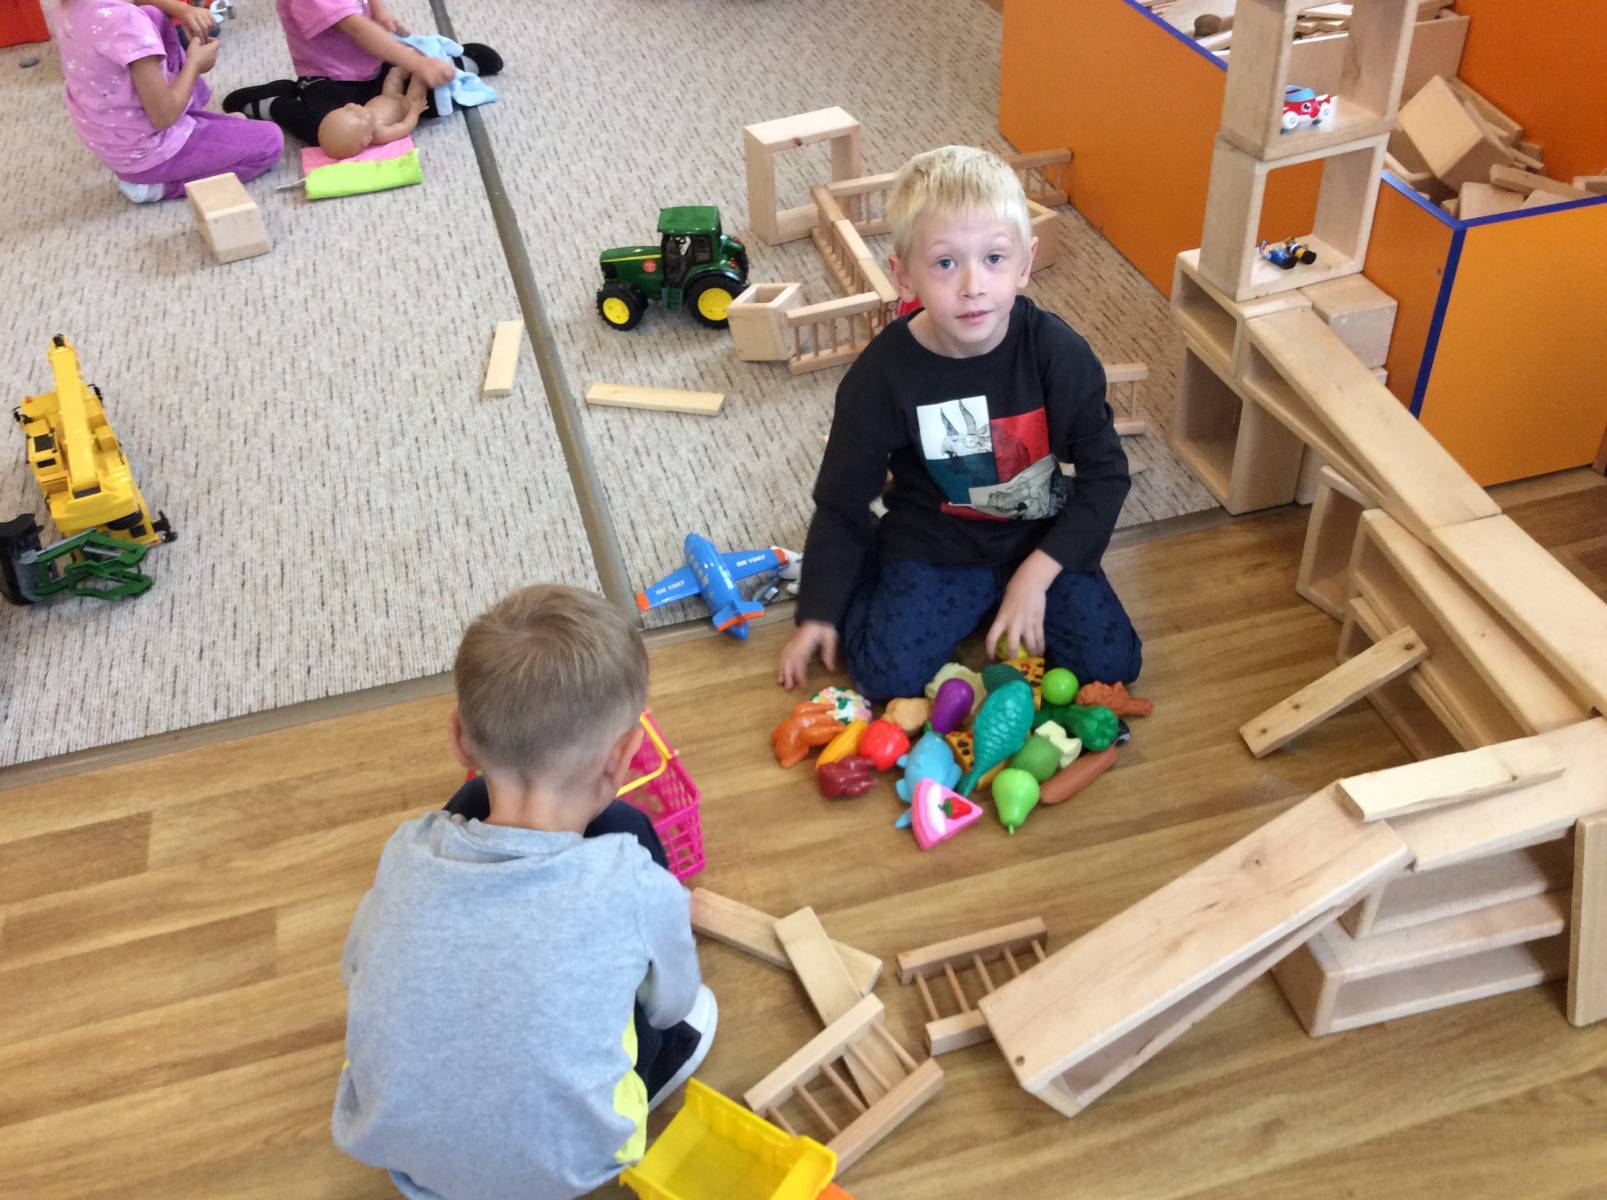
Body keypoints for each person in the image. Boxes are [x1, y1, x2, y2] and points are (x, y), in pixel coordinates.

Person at [333, 585, 716, 1200]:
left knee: (465, 816)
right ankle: (655, 1076)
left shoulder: (406, 851)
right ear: (624, 756)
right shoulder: (632, 879)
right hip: (574, 1167)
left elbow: (355, 966)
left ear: (461, 739)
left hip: (409, 1161)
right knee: (664, 1013)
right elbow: (672, 1003)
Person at [777, 145, 1142, 701]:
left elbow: (1106, 477)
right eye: (946, 263)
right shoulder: (881, 376)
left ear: (1024, 263)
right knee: (885, 678)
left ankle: (1007, 592)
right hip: (934, 543)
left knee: (1113, 664)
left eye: (994, 258)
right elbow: (842, 501)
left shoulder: (1056, 353)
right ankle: (875, 567)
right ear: (904, 276)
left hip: (1036, 536)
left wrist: (1037, 574)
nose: (973, 285)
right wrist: (820, 609)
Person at [51, 0, 283, 203]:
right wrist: (195, 64)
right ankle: (157, 187)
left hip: (110, 135)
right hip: (146, 150)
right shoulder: (126, 23)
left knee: (153, 14)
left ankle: (193, 121)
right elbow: (164, 117)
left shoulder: (68, 6)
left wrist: (182, 10)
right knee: (269, 142)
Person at [222, 0, 502, 147]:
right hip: (329, 79)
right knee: (331, 134)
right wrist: (418, 64)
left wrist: (379, 11)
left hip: (375, 65)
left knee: (429, 99)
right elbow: (357, 29)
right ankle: (278, 105)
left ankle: (454, 64)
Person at [314, 64, 428, 159]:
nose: (353, 106)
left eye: (346, 109)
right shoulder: (381, 133)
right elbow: (405, 126)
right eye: (358, 116)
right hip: (408, 104)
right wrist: (415, 111)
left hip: (388, 94)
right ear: (367, 140)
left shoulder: (365, 123)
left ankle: (413, 60)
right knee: (420, 78)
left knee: (394, 73)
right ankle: (425, 65)